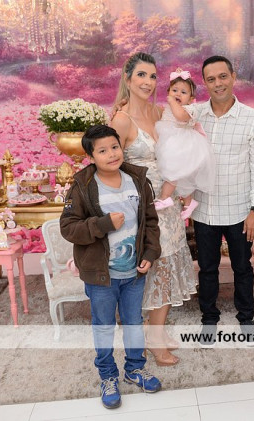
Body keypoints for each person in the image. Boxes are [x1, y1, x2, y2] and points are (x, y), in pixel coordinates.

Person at [60, 124, 162, 409]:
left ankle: (135, 369)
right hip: (101, 276)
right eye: (102, 151)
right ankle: (107, 376)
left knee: (134, 323)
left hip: (134, 273)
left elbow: (150, 222)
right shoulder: (82, 187)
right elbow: (68, 228)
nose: (112, 154)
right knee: (104, 326)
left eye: (115, 147)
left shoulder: (137, 181)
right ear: (91, 157)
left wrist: (150, 252)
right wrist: (103, 224)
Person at [111, 52, 197, 367]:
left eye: (152, 76)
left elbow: (181, 140)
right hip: (141, 208)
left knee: (168, 267)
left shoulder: (160, 112)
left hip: (168, 205)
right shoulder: (121, 120)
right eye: (141, 75)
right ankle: (149, 337)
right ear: (128, 78)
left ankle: (155, 331)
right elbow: (109, 166)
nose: (148, 82)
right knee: (148, 270)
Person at [192, 55, 254, 347]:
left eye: (223, 76)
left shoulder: (251, 118)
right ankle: (209, 319)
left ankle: (246, 319)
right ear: (204, 83)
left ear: (233, 77)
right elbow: (165, 119)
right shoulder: (194, 116)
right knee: (207, 269)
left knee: (242, 268)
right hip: (204, 209)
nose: (218, 84)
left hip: (239, 211)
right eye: (211, 79)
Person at [154, 68, 215, 220]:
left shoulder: (189, 108)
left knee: (173, 172)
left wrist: (171, 101)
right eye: (174, 90)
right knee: (183, 177)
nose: (178, 94)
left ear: (190, 98)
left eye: (183, 92)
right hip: (172, 139)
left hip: (181, 143)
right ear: (168, 91)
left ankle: (165, 197)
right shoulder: (167, 107)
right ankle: (189, 203)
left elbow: (180, 116)